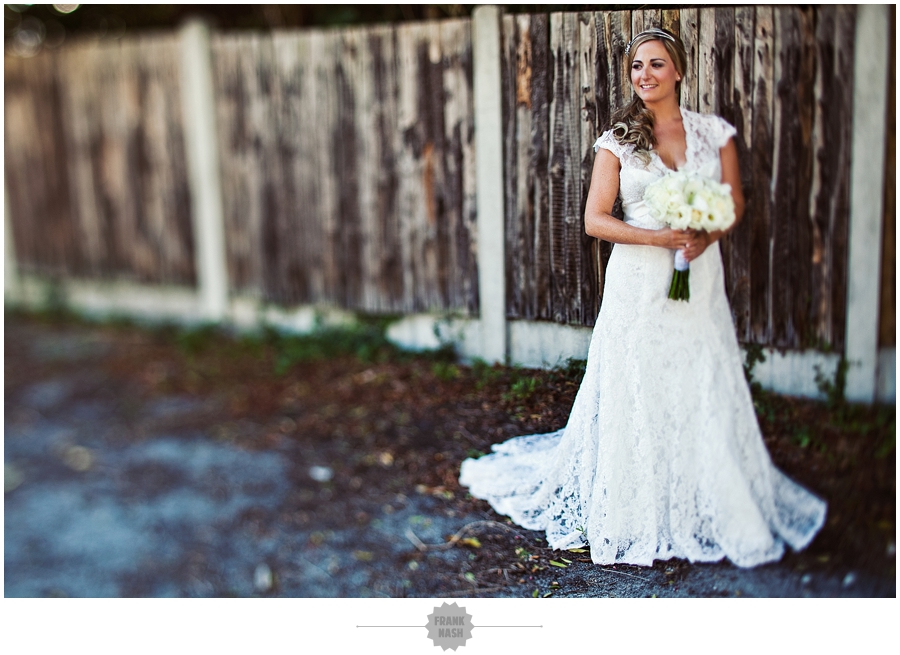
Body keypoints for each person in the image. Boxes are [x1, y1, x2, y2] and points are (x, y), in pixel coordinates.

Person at [459, 27, 826, 568]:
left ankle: (703, 492)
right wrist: (659, 238)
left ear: (678, 70)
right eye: (637, 67)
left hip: (698, 281)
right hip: (637, 282)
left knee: (696, 375)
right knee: (636, 379)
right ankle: (632, 502)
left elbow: (734, 203)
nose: (645, 75)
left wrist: (707, 233)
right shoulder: (619, 140)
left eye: (656, 64)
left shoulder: (713, 134)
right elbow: (595, 220)